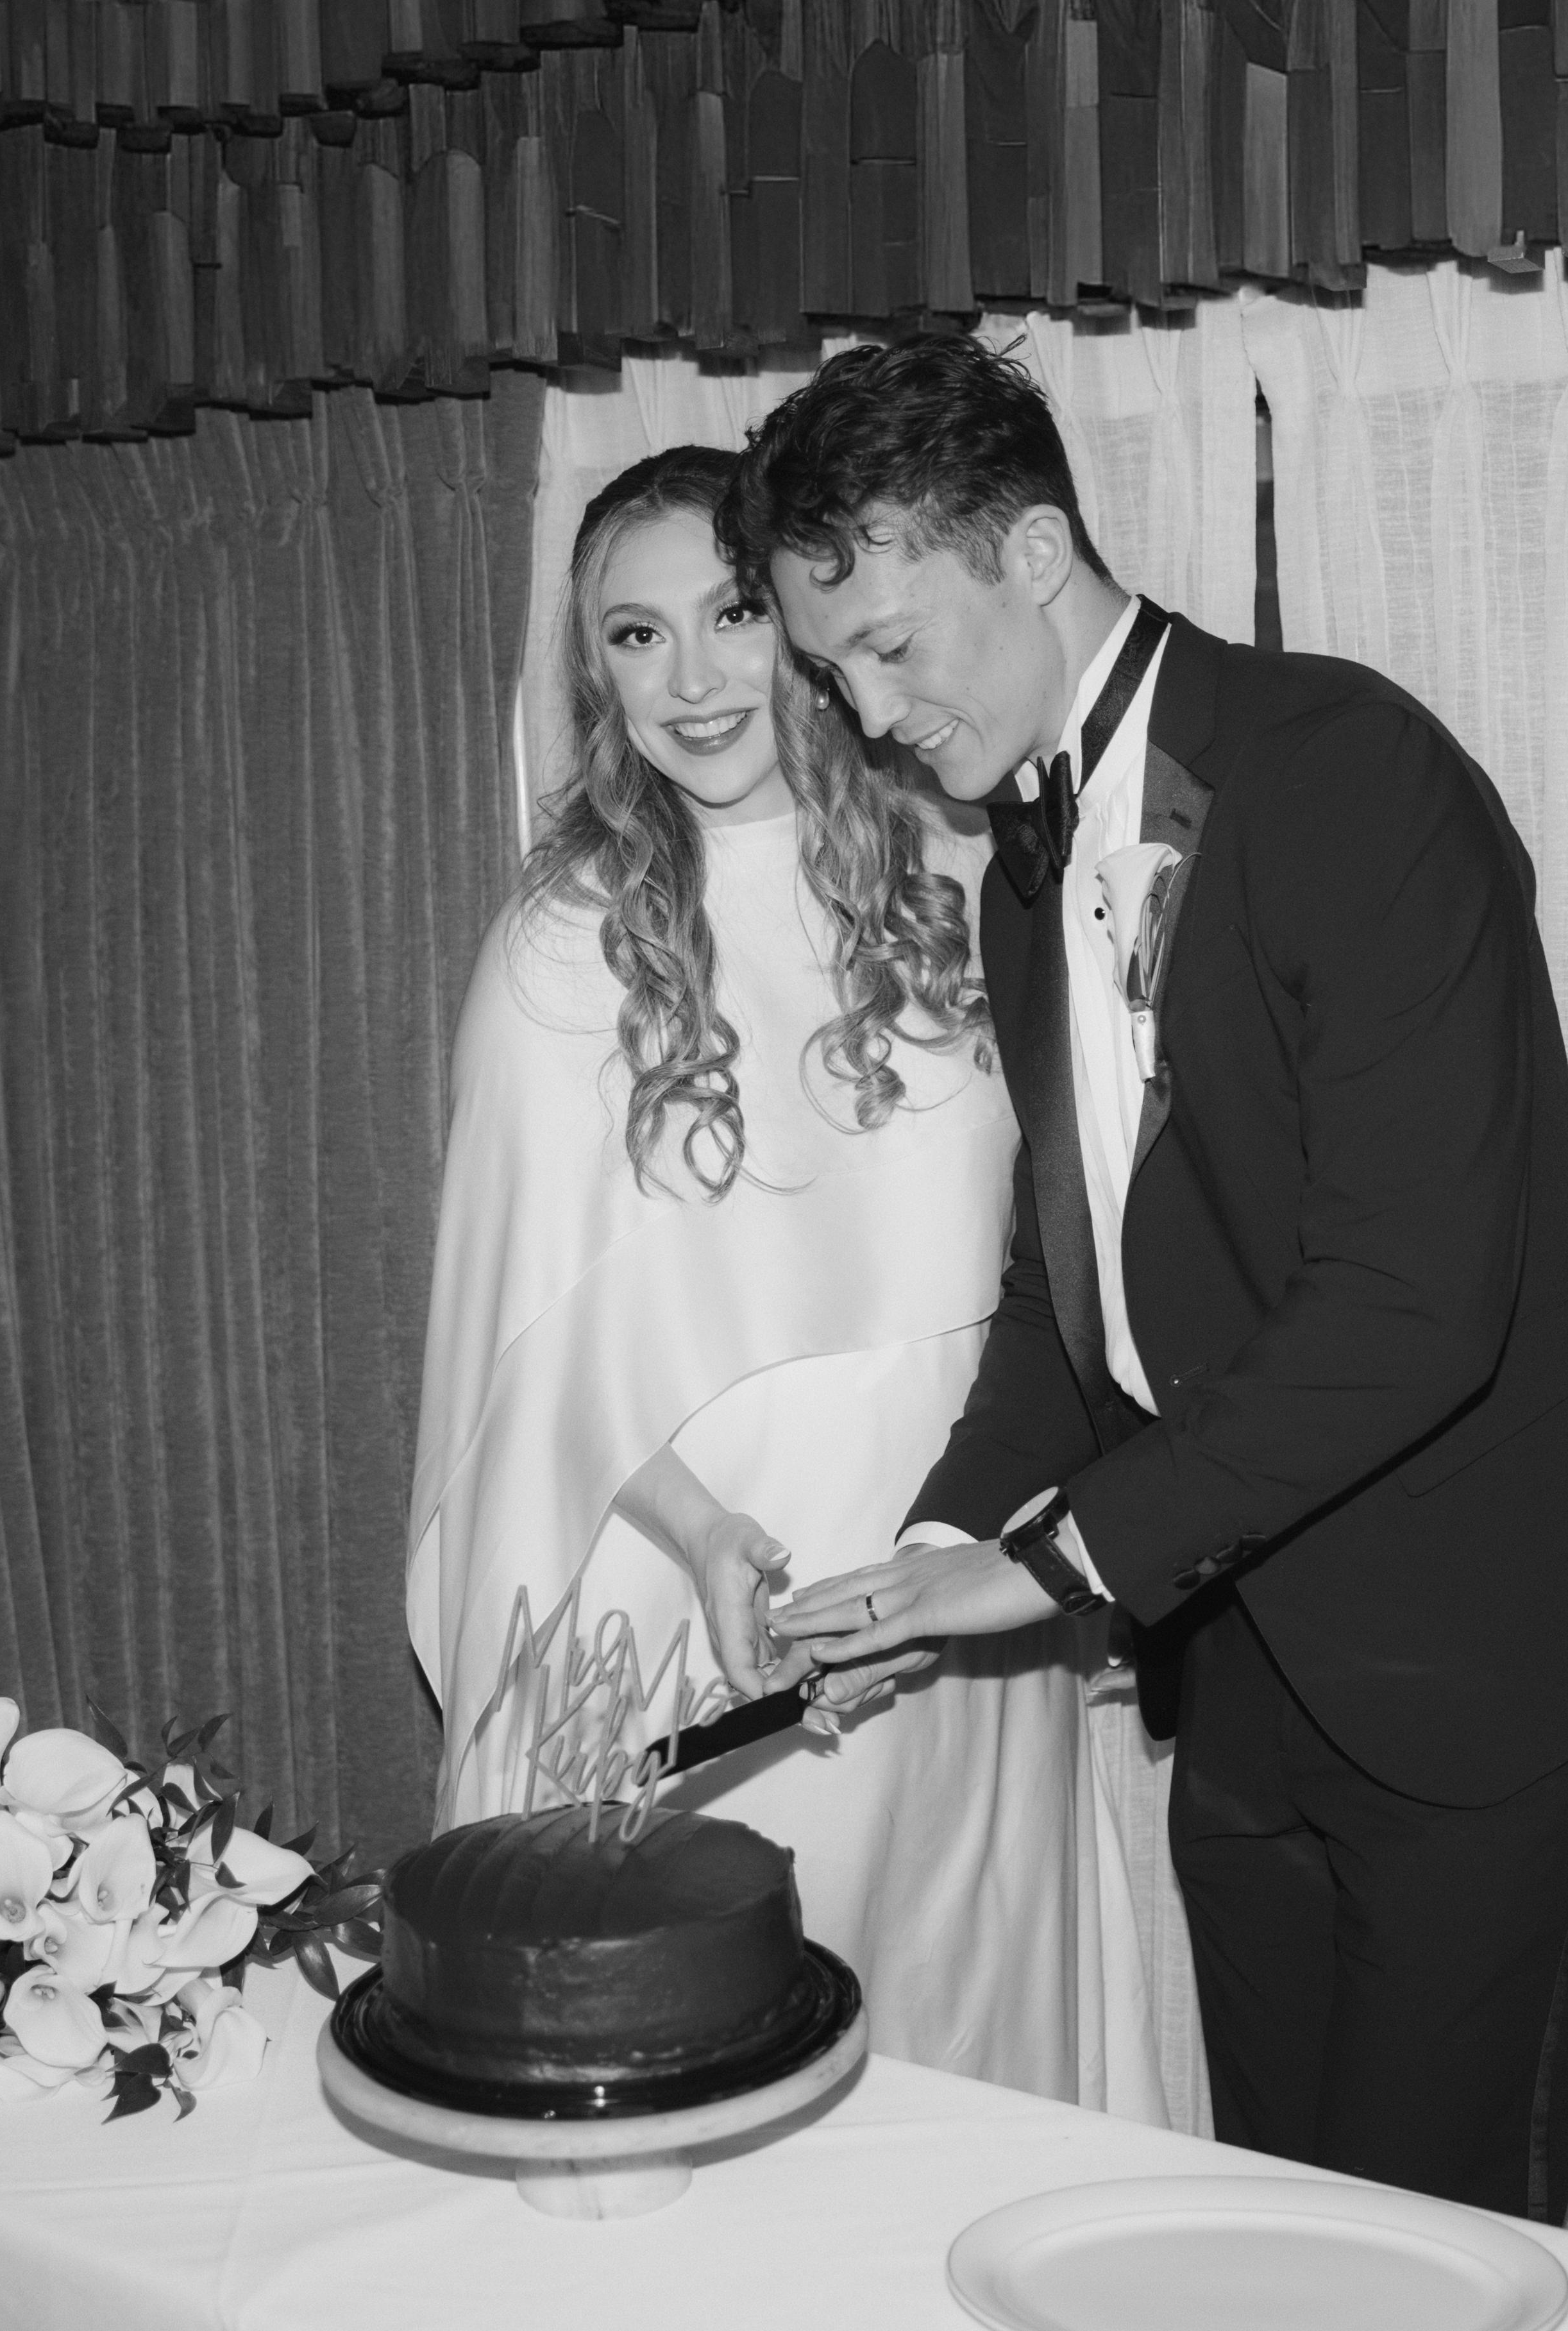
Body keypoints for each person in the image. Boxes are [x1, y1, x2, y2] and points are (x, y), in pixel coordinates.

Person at [749, 339, 1568, 2219]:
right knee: (1282, 2221)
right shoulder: (1018, 875)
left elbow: (1413, 1298)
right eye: (837, 676)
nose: (873, 713)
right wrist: (934, 1554)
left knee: (1440, 2241)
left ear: (1034, 549)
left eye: (891, 647)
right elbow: (1069, 1295)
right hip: (1244, 1642)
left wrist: (1054, 1563)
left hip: (1491, 1638)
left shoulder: (1344, 765)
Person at [401, 445, 1159, 2115]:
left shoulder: (960, 880)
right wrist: (707, 1540)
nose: (690, 678)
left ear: (807, 622)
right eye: (635, 635)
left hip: (957, 1569)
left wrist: (1026, 1542)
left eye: (731, 614)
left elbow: (1059, 1256)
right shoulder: (558, 952)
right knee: (731, 2052)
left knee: (965, 2033)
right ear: (594, 677)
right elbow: (520, 1361)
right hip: (711, 1600)